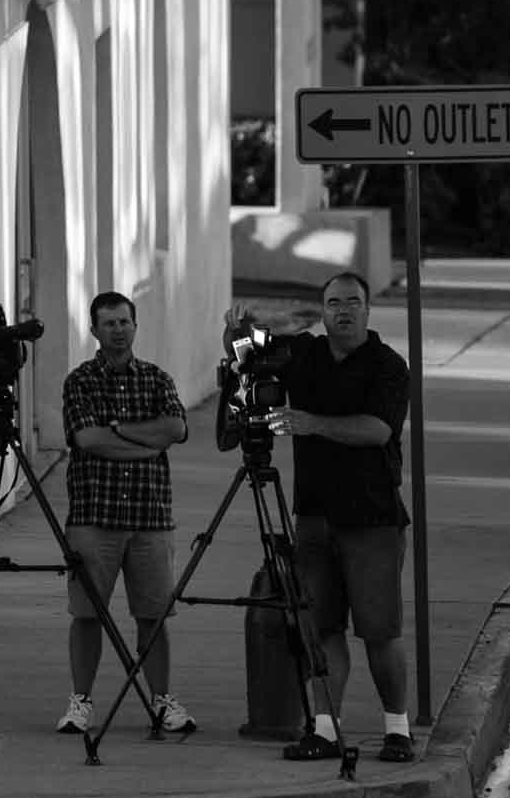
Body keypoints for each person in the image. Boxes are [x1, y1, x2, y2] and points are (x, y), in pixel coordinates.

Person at [224, 271, 415, 764]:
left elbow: (377, 430)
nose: (343, 311)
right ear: (323, 310)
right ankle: (327, 730)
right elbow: (249, 351)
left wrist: (312, 424)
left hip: (372, 519)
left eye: (353, 302)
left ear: (368, 311)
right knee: (322, 628)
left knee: (379, 630)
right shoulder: (303, 353)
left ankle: (398, 730)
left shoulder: (388, 367)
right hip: (313, 516)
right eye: (334, 303)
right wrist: (237, 331)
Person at [57, 291, 193, 735]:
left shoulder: (157, 379)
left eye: (124, 322)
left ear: (135, 326)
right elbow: (88, 440)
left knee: (153, 615)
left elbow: (176, 428)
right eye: (109, 323)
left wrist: (116, 430)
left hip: (150, 518)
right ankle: (80, 702)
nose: (118, 330)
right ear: (93, 330)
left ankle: (162, 701)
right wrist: (145, 443)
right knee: (87, 613)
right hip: (94, 518)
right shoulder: (80, 381)